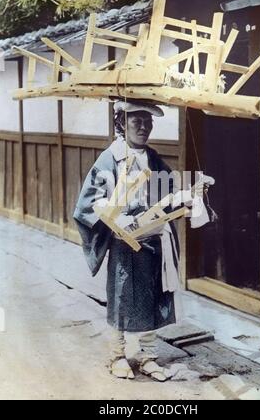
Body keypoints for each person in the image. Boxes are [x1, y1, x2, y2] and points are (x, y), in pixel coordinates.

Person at [73, 100, 210, 382]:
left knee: (153, 296)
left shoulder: (153, 158)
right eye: (136, 120)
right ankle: (117, 355)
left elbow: (167, 197)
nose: (144, 126)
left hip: (153, 240)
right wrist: (114, 218)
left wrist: (191, 193)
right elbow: (87, 205)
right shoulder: (109, 159)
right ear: (121, 123)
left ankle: (147, 355)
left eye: (148, 121)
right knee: (122, 296)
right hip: (124, 242)